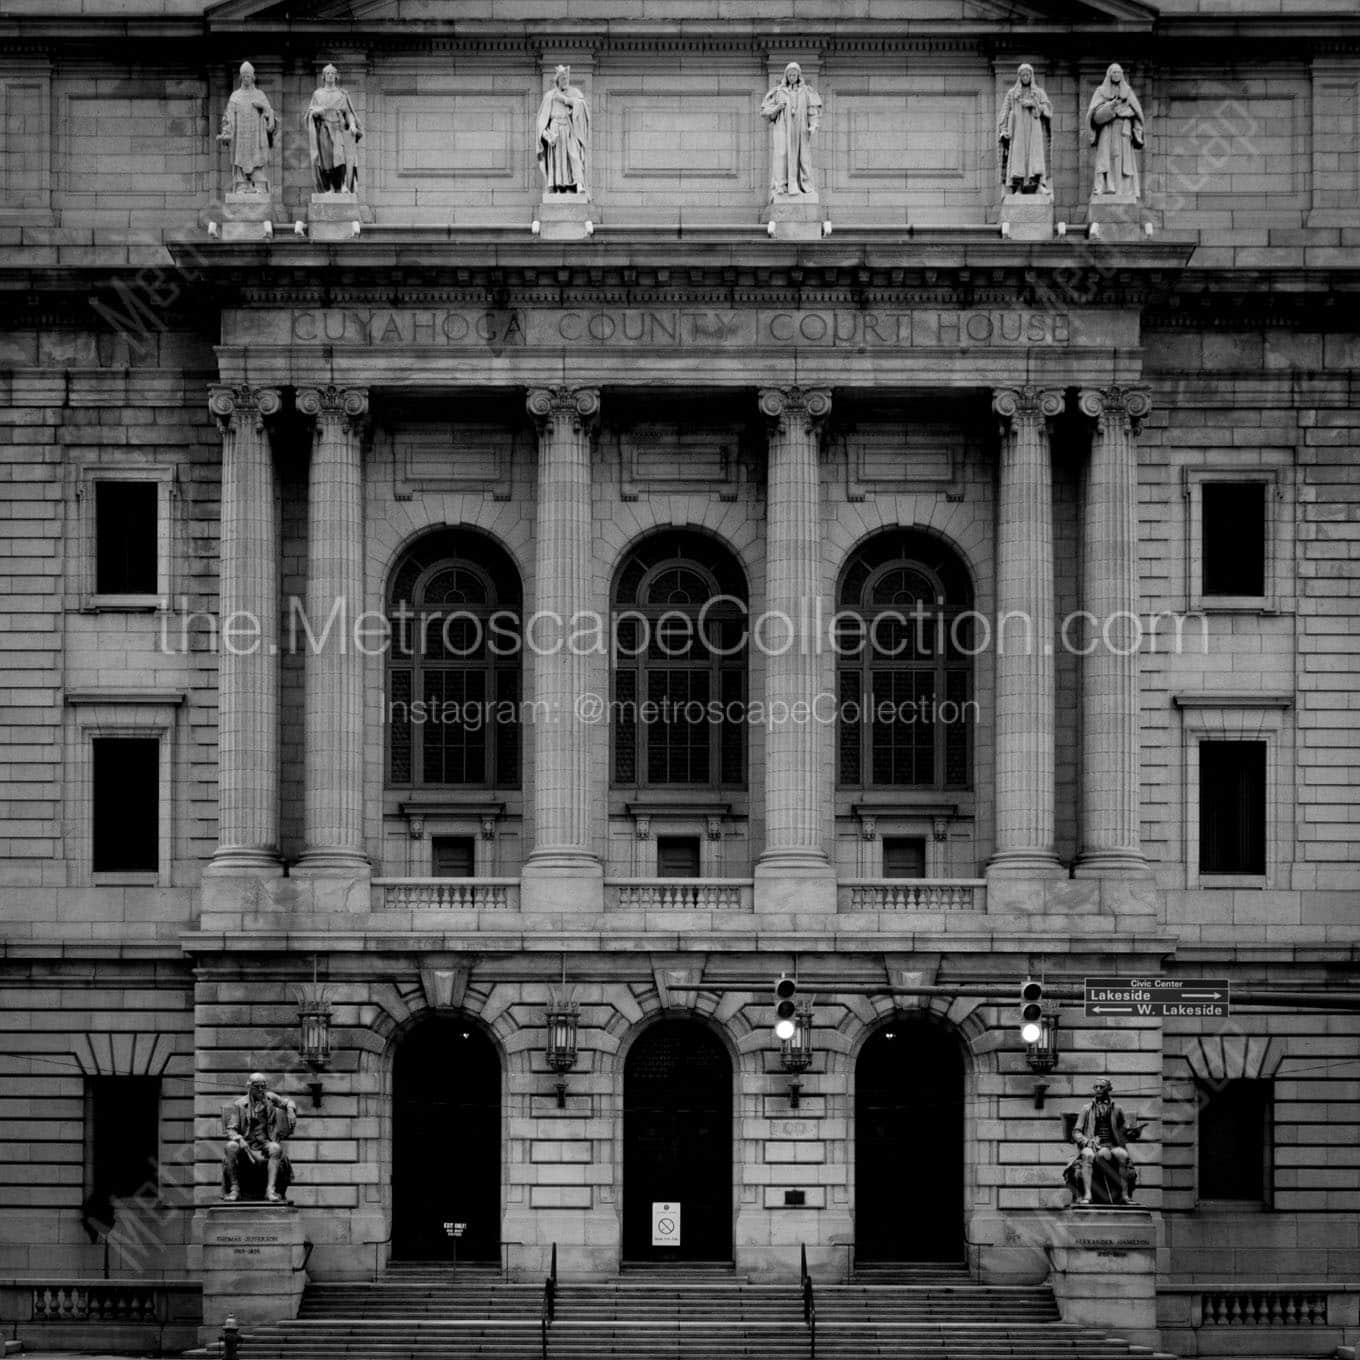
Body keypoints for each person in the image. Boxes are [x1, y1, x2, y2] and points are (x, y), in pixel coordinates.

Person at [223, 1072, 297, 1203]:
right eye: (257, 1087)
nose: (261, 1090)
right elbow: (231, 1129)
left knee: (275, 1148)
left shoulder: (270, 1098)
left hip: (265, 1143)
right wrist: (239, 1139)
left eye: (263, 1086)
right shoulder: (239, 1104)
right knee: (230, 1146)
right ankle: (235, 1190)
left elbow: (288, 1102)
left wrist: (290, 1110)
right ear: (250, 1087)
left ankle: (270, 1191)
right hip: (246, 1143)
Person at [761, 62, 822, 199]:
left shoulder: (806, 91)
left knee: (803, 157)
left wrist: (813, 125)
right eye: (790, 75)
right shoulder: (778, 92)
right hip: (783, 127)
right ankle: (781, 185)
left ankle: (805, 185)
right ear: (786, 76)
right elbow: (765, 112)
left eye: (794, 74)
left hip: (800, 128)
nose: (792, 77)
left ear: (798, 75)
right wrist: (778, 108)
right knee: (782, 154)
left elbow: (812, 110)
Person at [1070, 1078, 1134, 1205]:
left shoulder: (1118, 1109)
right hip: (1093, 1145)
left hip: (1112, 1145)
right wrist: (1086, 1141)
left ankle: (1125, 1195)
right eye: (1096, 1087)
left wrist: (1131, 1133)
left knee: (1123, 1155)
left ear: (1108, 1089)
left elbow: (1123, 1130)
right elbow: (1076, 1132)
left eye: (1101, 1087)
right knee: (1087, 1155)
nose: (1098, 1089)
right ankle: (1088, 1194)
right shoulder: (1086, 1109)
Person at [1088, 63, 1144, 199]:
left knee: (1123, 161)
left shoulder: (1128, 91)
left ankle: (1123, 190)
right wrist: (1110, 108)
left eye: (1119, 72)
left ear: (1122, 75)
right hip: (1107, 130)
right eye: (1114, 72)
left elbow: (1137, 113)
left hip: (1123, 131)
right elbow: (1094, 115)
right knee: (1105, 160)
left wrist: (1127, 115)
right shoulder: (1101, 91)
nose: (1116, 75)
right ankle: (1105, 188)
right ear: (1109, 74)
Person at [218, 62, 277, 193]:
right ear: (241, 78)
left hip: (256, 135)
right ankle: (242, 184)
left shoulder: (259, 95)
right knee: (240, 158)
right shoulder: (235, 96)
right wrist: (226, 131)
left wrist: (263, 108)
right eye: (244, 76)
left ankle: (259, 184)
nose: (246, 78)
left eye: (248, 76)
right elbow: (228, 117)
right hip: (240, 136)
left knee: (257, 158)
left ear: (253, 77)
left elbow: (270, 114)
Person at [307, 64, 363, 194]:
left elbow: (348, 113)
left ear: (336, 76)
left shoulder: (341, 94)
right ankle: (328, 187)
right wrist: (315, 113)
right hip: (324, 129)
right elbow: (311, 112)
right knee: (326, 160)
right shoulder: (318, 94)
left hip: (338, 128)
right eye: (328, 73)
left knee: (340, 157)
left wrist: (353, 125)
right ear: (323, 76)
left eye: (333, 73)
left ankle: (343, 184)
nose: (330, 75)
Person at [997, 63, 1052, 194]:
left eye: (1027, 74)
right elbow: (1004, 112)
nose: (1025, 77)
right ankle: (1019, 187)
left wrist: (1034, 104)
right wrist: (1003, 129)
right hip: (1018, 131)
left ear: (1031, 76)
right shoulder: (1012, 93)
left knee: (1035, 156)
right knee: (1018, 157)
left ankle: (1039, 185)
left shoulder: (1038, 92)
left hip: (1034, 129)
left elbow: (1048, 110)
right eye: (1022, 75)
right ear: (1019, 77)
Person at [536, 66, 589, 195]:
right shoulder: (549, 96)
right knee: (557, 160)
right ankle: (556, 186)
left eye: (566, 78)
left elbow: (582, 106)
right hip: (555, 130)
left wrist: (565, 100)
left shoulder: (574, 93)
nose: (565, 81)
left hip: (568, 128)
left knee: (574, 155)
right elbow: (541, 121)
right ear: (557, 80)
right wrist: (547, 136)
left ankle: (579, 183)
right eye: (562, 78)